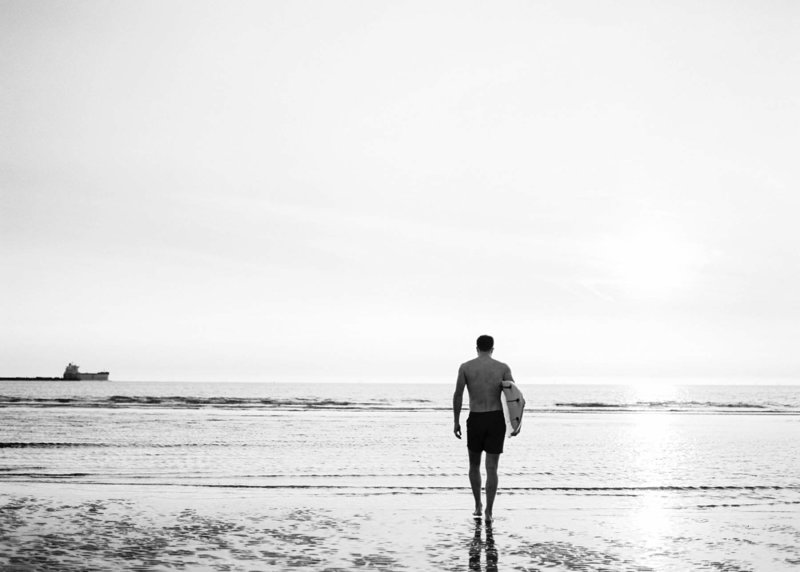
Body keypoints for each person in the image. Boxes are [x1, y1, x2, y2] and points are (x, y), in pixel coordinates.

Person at [453, 334, 514, 522]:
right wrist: (515, 423)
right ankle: (489, 511)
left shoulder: (466, 367)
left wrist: (456, 421)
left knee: (474, 465)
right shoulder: (503, 368)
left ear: (476, 348)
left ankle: (478, 506)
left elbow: (458, 395)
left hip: (476, 418)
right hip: (496, 419)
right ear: (492, 349)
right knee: (492, 468)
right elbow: (514, 398)